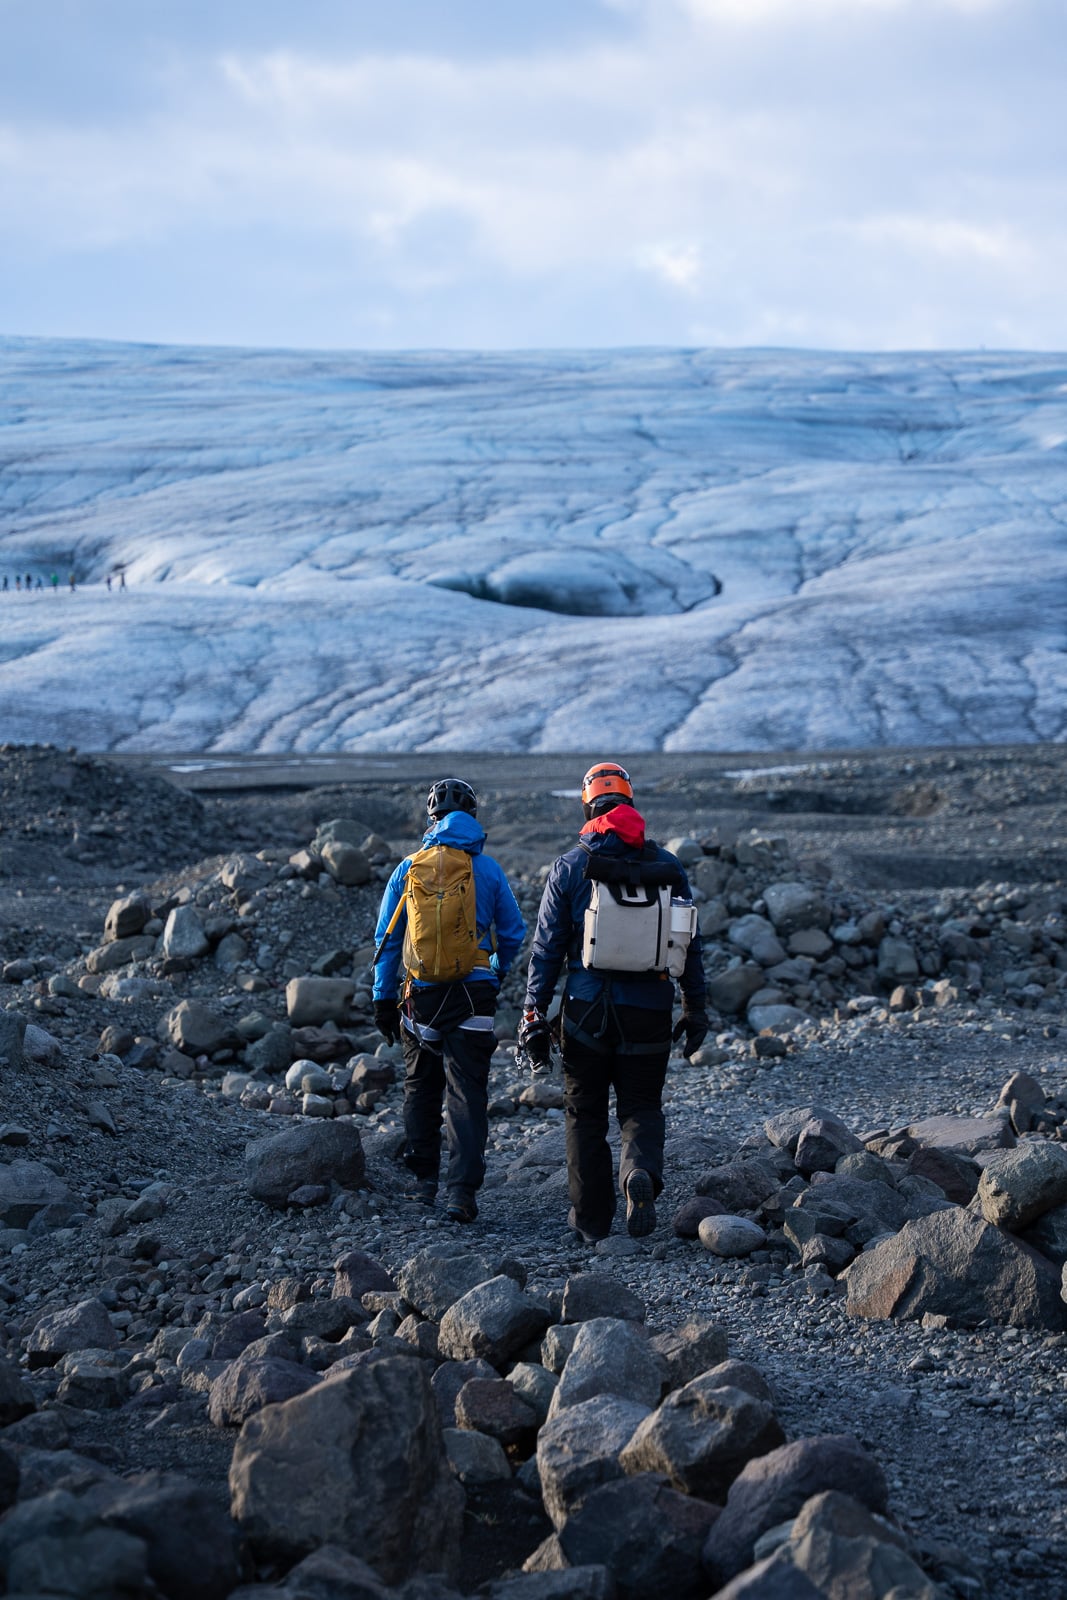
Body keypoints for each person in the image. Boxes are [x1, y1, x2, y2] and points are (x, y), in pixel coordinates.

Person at [520, 761, 708, 1244]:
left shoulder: (568, 866)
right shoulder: (667, 865)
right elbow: (689, 945)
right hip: (648, 1010)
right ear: (630, 802)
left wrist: (534, 1014)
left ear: (588, 806)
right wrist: (695, 1008)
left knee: (584, 1115)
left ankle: (590, 1223)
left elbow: (547, 950)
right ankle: (636, 1175)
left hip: (586, 1012)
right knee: (641, 1106)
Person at [373, 778, 526, 1223]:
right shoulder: (490, 869)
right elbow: (514, 932)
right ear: (472, 818)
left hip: (420, 995)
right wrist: (494, 970)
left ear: (431, 819)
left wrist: (383, 997)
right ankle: (462, 1193)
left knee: (421, 1088)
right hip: (474, 993)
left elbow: (386, 940)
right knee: (467, 1092)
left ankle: (423, 1185)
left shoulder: (408, 867)